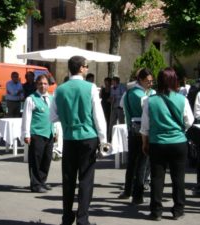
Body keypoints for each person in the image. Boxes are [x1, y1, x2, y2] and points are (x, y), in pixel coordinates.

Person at [50, 56, 107, 225]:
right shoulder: (90, 88)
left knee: (68, 179)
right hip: (88, 137)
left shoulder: (59, 89)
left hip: (69, 138)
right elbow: (98, 117)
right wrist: (103, 140)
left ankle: (67, 217)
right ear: (81, 68)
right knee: (86, 179)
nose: (87, 69)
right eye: (86, 66)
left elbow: (52, 117)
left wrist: (68, 119)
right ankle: (83, 219)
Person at [140, 67, 194, 221]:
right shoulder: (182, 99)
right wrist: (179, 130)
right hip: (178, 143)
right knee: (178, 177)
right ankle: (178, 209)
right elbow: (189, 121)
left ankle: (156, 211)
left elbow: (145, 126)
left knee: (157, 178)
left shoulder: (150, 101)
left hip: (157, 143)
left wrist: (145, 143)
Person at [118, 68, 155, 204]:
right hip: (142, 131)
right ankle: (137, 195)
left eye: (151, 81)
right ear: (140, 80)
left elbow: (121, 105)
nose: (150, 84)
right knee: (142, 163)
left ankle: (127, 191)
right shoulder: (144, 96)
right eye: (148, 81)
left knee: (132, 162)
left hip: (131, 129)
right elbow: (148, 113)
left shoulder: (128, 93)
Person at [21, 74, 55, 193]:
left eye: (45, 83)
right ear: (36, 84)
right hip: (36, 133)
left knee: (47, 159)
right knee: (36, 160)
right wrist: (26, 134)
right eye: (40, 84)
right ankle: (35, 184)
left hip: (49, 133)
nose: (43, 86)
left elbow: (53, 116)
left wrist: (55, 131)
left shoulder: (51, 98)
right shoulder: (31, 99)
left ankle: (42, 181)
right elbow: (27, 117)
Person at [109, 76, 126, 140]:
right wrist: (111, 99)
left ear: (116, 81)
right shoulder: (112, 88)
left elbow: (124, 95)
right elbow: (111, 96)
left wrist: (116, 97)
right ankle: (111, 138)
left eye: (112, 81)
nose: (112, 82)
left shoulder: (122, 86)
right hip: (114, 107)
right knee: (112, 123)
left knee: (121, 123)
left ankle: (123, 138)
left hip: (120, 107)